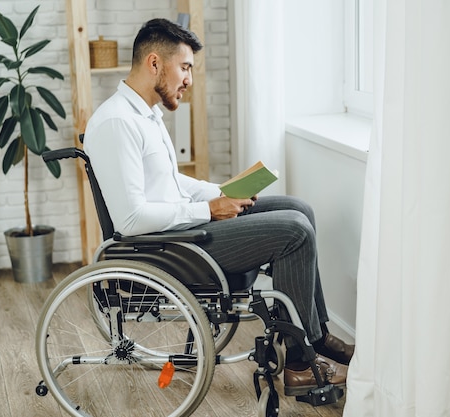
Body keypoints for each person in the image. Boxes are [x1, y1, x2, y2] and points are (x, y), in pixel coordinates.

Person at [83, 18, 354, 395]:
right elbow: (130, 219)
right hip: (168, 249)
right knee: (294, 231)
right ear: (155, 63)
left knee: (298, 208)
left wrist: (223, 192)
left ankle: (316, 336)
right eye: (186, 67)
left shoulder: (144, 114)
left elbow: (170, 184)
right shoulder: (117, 123)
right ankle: (299, 363)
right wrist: (210, 210)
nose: (189, 79)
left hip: (179, 234)